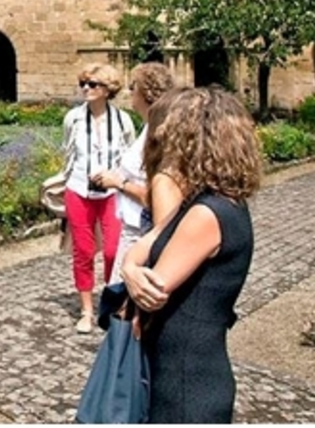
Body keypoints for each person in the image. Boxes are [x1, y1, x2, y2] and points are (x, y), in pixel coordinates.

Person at [120, 87, 261, 423]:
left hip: (184, 378)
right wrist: (128, 267)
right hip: (189, 366)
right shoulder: (213, 202)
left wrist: (135, 279)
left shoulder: (206, 214)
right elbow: (150, 240)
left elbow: (151, 293)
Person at [60, 63, 136, 333]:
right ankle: (86, 310)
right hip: (79, 189)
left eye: (92, 85)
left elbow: (130, 156)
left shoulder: (122, 120)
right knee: (83, 250)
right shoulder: (74, 118)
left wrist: (119, 179)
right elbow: (68, 151)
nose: (85, 89)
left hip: (112, 193)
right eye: (83, 83)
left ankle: (112, 301)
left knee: (115, 250)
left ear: (107, 90)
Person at [89, 62, 177, 282]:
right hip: (132, 225)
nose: (129, 94)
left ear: (144, 93)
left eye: (132, 87)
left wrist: (118, 183)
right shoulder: (149, 126)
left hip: (143, 229)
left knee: (120, 298)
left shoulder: (158, 133)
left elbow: (157, 196)